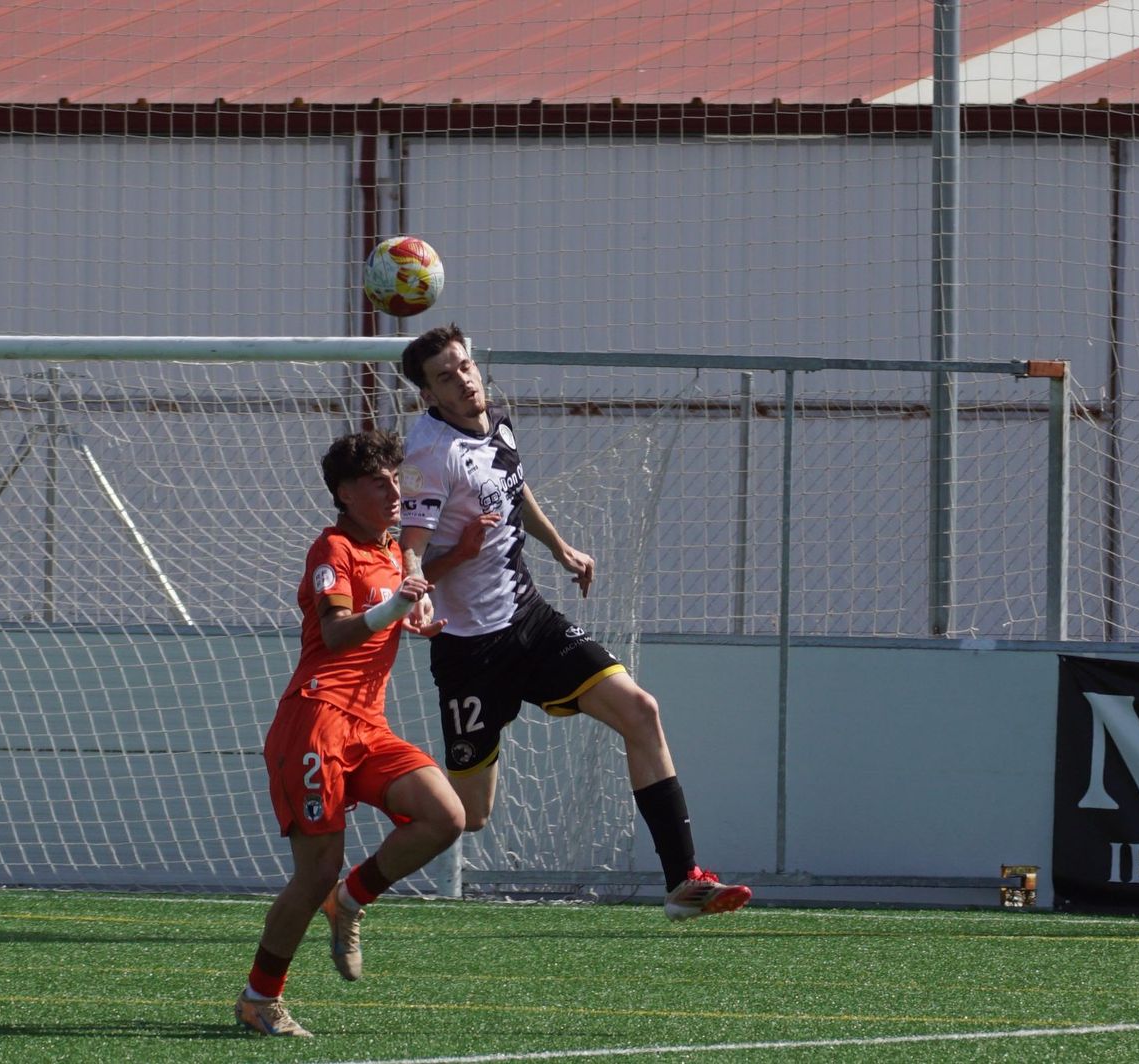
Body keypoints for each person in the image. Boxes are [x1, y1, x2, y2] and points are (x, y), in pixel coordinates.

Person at [396, 323, 752, 922]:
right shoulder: (428, 455)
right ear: (428, 396)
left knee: (641, 710)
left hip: (529, 620)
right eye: (444, 377)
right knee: (469, 815)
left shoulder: (498, 423)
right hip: (469, 651)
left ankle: (683, 881)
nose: (462, 381)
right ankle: (373, 817)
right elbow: (410, 550)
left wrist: (561, 547)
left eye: (463, 366)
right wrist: (426, 583)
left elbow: (514, 487)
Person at [236, 429, 465, 1038]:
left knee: (446, 816)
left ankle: (352, 898)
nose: (393, 489)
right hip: (314, 722)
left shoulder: (393, 550)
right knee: (313, 873)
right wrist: (397, 608)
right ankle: (259, 999)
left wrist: (415, 612)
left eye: (395, 477)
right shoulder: (331, 549)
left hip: (368, 724)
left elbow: (400, 592)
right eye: (377, 482)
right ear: (344, 493)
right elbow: (337, 633)